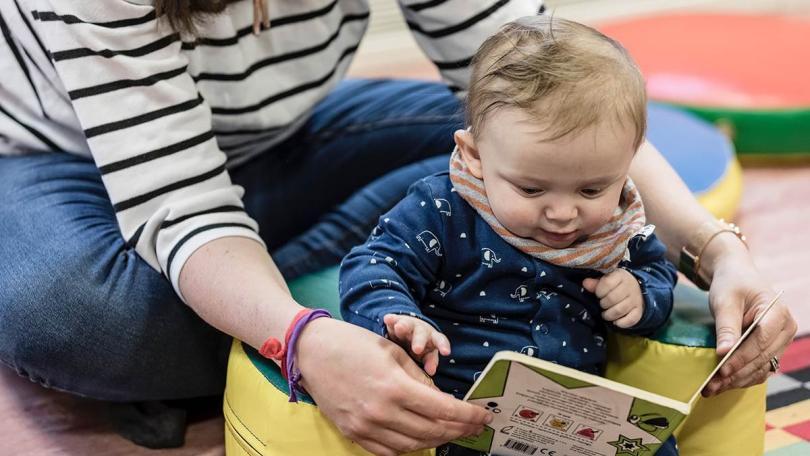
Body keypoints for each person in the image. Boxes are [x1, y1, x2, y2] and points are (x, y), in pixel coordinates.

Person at [0, 1, 795, 455]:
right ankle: (244, 297)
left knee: (545, 134)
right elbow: (176, 196)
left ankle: (235, 296)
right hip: (76, 165)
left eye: (590, 196)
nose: (565, 217)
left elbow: (544, 73)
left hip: (288, 139)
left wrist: (713, 250)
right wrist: (302, 337)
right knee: (84, 316)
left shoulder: (520, 176)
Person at [339, 16, 679, 455]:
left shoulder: (619, 229)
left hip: (573, 419)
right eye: (532, 189)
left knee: (657, 446)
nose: (562, 214)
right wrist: (398, 318)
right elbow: (372, 265)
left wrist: (641, 294)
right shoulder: (442, 209)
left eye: (591, 189)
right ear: (475, 155)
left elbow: (659, 272)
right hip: (460, 413)